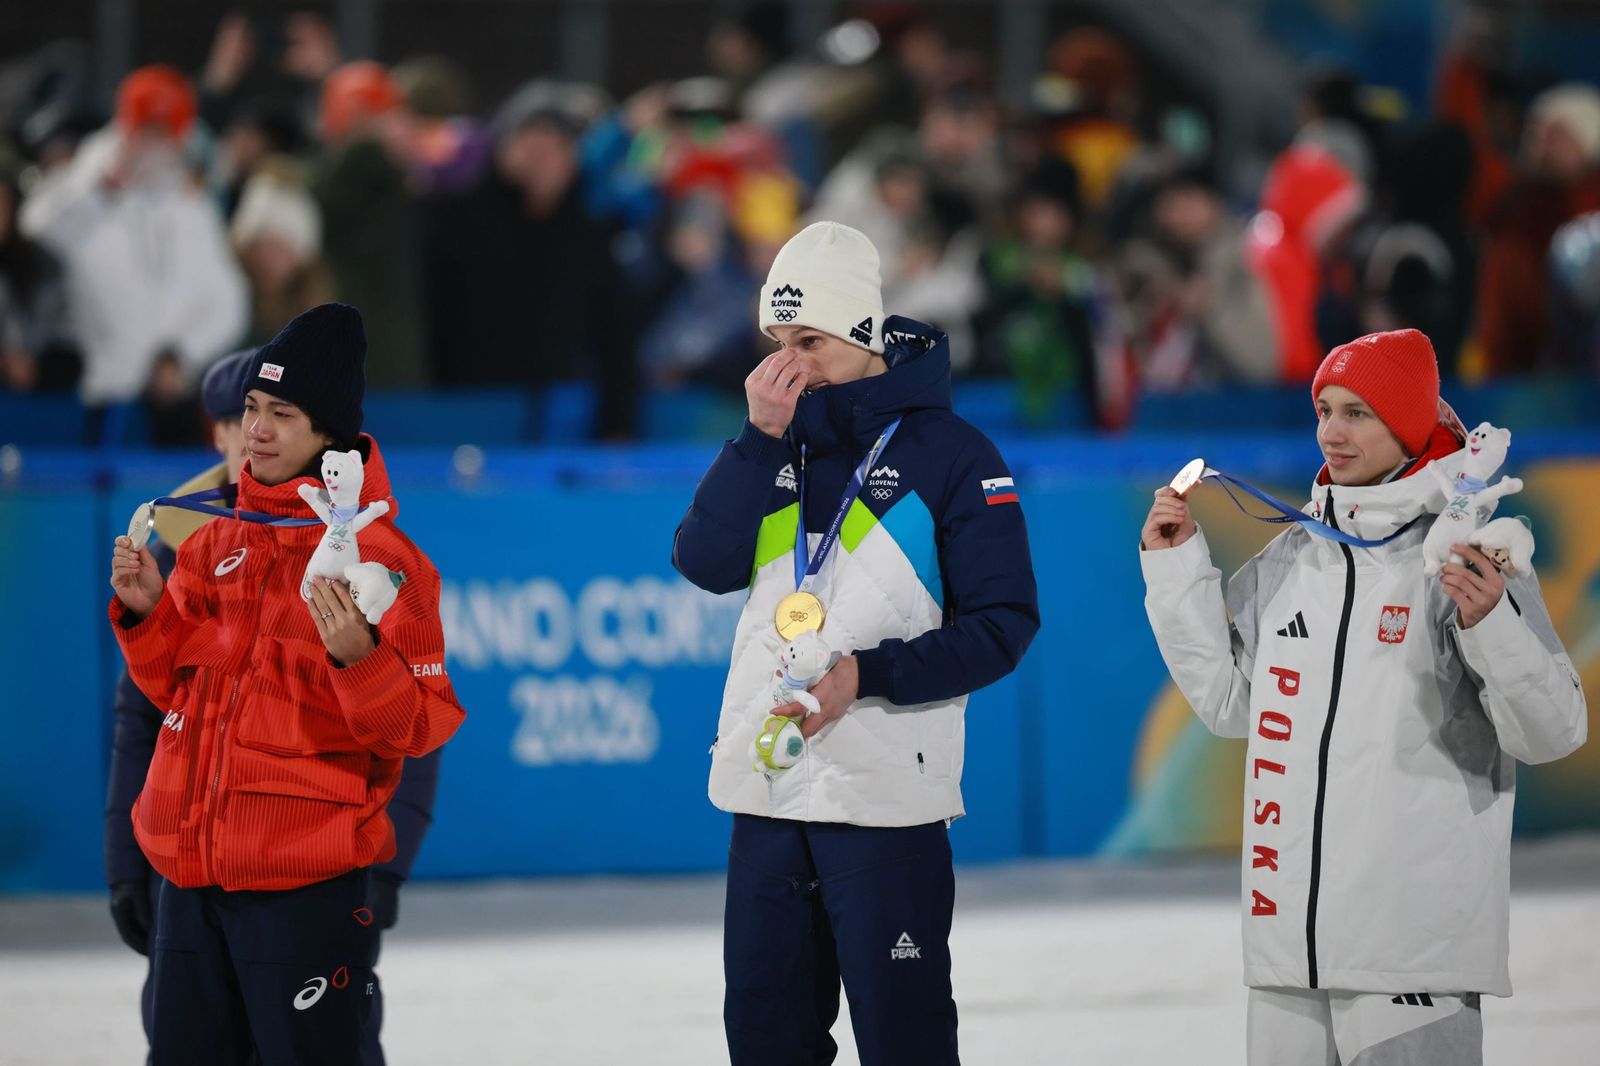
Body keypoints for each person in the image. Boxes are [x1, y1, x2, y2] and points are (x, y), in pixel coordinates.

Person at [1138, 328, 1587, 1065]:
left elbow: (1555, 732)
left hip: (1411, 955)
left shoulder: (1467, 554)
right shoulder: (1292, 556)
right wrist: (1175, 570)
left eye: (1358, 413)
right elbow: (1229, 707)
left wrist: (1492, 622)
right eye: (1324, 409)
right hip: (1289, 955)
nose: (1331, 432)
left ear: (1407, 422)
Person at [673, 221, 1039, 1065]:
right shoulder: (772, 444)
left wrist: (866, 676)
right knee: (766, 1043)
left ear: (865, 334)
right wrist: (757, 440)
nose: (790, 363)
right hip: (767, 792)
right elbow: (703, 561)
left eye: (812, 340)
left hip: (883, 799)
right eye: (778, 341)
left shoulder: (953, 454)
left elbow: (1004, 625)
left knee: (903, 1041)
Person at [108, 303, 466, 1065]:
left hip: (305, 893)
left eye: (282, 412)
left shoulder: (386, 560)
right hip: (191, 878)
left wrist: (359, 662)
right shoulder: (210, 544)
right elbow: (176, 694)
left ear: (328, 434)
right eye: (251, 409)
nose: (257, 429)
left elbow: (420, 729)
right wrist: (145, 619)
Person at [19, 65, 248, 436]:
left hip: (176, 400)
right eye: (145, 129)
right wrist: (102, 188)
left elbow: (228, 301)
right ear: (125, 126)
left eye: (165, 131)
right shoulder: (86, 182)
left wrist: (182, 355)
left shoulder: (191, 205)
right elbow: (35, 225)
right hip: (103, 396)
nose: (154, 143)